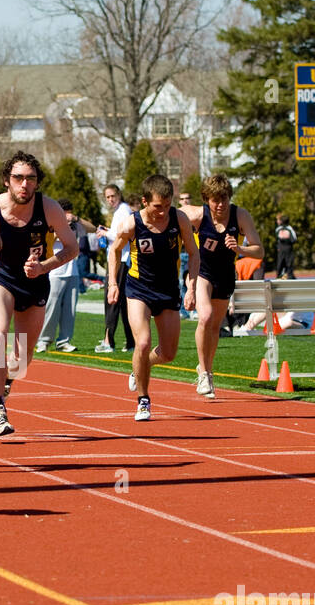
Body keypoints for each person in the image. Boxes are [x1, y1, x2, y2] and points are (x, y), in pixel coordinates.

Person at [0, 150, 78, 436]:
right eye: (18, 178)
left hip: (35, 282)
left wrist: (44, 266)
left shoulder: (49, 209)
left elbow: (72, 248)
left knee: (23, 358)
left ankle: (5, 383)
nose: (24, 184)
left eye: (30, 179)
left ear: (37, 182)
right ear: (7, 181)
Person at [107, 174, 197, 420]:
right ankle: (143, 400)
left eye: (167, 205)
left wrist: (192, 287)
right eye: (158, 206)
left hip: (168, 290)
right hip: (139, 290)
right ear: (145, 201)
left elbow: (193, 253)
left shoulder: (179, 220)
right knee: (143, 342)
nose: (163, 211)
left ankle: (141, 366)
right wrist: (113, 283)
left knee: (168, 353)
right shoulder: (131, 223)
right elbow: (114, 251)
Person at [184, 174, 265, 398]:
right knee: (206, 317)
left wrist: (241, 250)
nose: (220, 205)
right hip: (202, 272)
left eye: (224, 199)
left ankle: (206, 369)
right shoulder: (199, 215)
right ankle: (204, 375)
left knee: (215, 327)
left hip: (226, 274)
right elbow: (173, 216)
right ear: (206, 199)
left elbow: (259, 250)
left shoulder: (240, 215)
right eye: (215, 200)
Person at [36, 198, 85, 354]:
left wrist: (76, 220)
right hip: (55, 271)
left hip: (73, 271)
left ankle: (64, 341)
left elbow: (90, 228)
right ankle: (44, 340)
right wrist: (62, 230)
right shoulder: (50, 223)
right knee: (51, 307)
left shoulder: (73, 224)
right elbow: (47, 240)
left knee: (70, 309)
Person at [94, 183, 134, 353]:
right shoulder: (121, 211)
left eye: (113, 196)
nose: (110, 199)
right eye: (108, 197)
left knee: (111, 301)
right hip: (121, 260)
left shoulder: (123, 210)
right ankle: (130, 341)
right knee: (123, 303)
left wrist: (105, 233)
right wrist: (108, 231)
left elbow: (122, 234)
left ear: (119, 194)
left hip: (119, 261)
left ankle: (108, 341)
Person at [274, 213, 297, 279]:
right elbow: (294, 239)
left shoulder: (281, 229)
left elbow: (277, 238)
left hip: (284, 248)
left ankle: (284, 277)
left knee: (284, 264)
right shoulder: (287, 229)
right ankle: (284, 276)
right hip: (285, 248)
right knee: (285, 264)